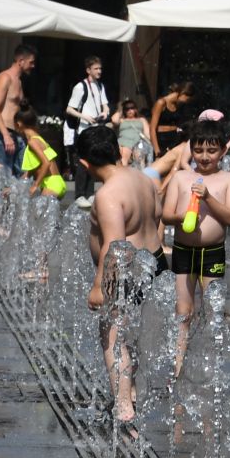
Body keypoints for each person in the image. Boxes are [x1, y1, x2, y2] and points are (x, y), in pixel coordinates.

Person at [75, 124, 164, 423]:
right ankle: (132, 394)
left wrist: (99, 285)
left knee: (113, 336)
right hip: (153, 261)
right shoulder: (143, 178)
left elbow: (114, 247)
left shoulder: (108, 195)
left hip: (128, 270)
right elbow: (159, 218)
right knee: (130, 335)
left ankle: (123, 408)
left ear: (84, 164)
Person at [159, 120, 230, 323]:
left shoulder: (229, 179)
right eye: (198, 150)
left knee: (213, 312)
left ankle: (211, 354)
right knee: (183, 312)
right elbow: (166, 215)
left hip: (212, 252)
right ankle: (179, 355)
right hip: (183, 250)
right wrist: (181, 217)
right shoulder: (181, 177)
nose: (204, 157)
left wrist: (209, 197)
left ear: (223, 150)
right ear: (191, 150)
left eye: (211, 151)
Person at [0, 44, 36, 174]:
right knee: (3, 176)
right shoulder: (5, 78)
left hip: (16, 135)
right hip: (1, 134)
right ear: (21, 61)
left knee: (19, 177)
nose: (33, 66)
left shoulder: (18, 81)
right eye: (31, 62)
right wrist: (5, 135)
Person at [63, 56, 110, 179]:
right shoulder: (80, 86)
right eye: (96, 68)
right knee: (83, 161)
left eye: (100, 68)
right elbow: (69, 109)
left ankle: (89, 193)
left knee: (94, 161)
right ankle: (80, 194)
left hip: (96, 127)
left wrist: (105, 113)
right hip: (83, 129)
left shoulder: (100, 86)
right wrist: (85, 117)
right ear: (88, 70)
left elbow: (105, 105)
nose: (99, 71)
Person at [19, 110, 67, 199]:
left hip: (51, 184)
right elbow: (30, 172)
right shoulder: (39, 139)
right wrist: (13, 188)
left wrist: (35, 185)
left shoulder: (32, 142)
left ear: (19, 124)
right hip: (56, 182)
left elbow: (46, 163)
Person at [150, 80, 196, 157]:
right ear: (183, 94)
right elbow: (152, 128)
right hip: (162, 139)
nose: (186, 102)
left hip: (174, 138)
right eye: (187, 100)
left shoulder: (178, 105)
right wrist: (157, 150)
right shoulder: (161, 103)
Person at [115, 97, 148, 167]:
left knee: (140, 162)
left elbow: (147, 134)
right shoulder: (122, 120)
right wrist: (120, 108)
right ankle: (123, 174)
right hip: (123, 142)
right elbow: (114, 120)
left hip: (138, 142)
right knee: (124, 157)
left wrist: (147, 144)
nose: (130, 110)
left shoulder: (141, 119)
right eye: (127, 109)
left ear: (135, 109)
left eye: (132, 108)